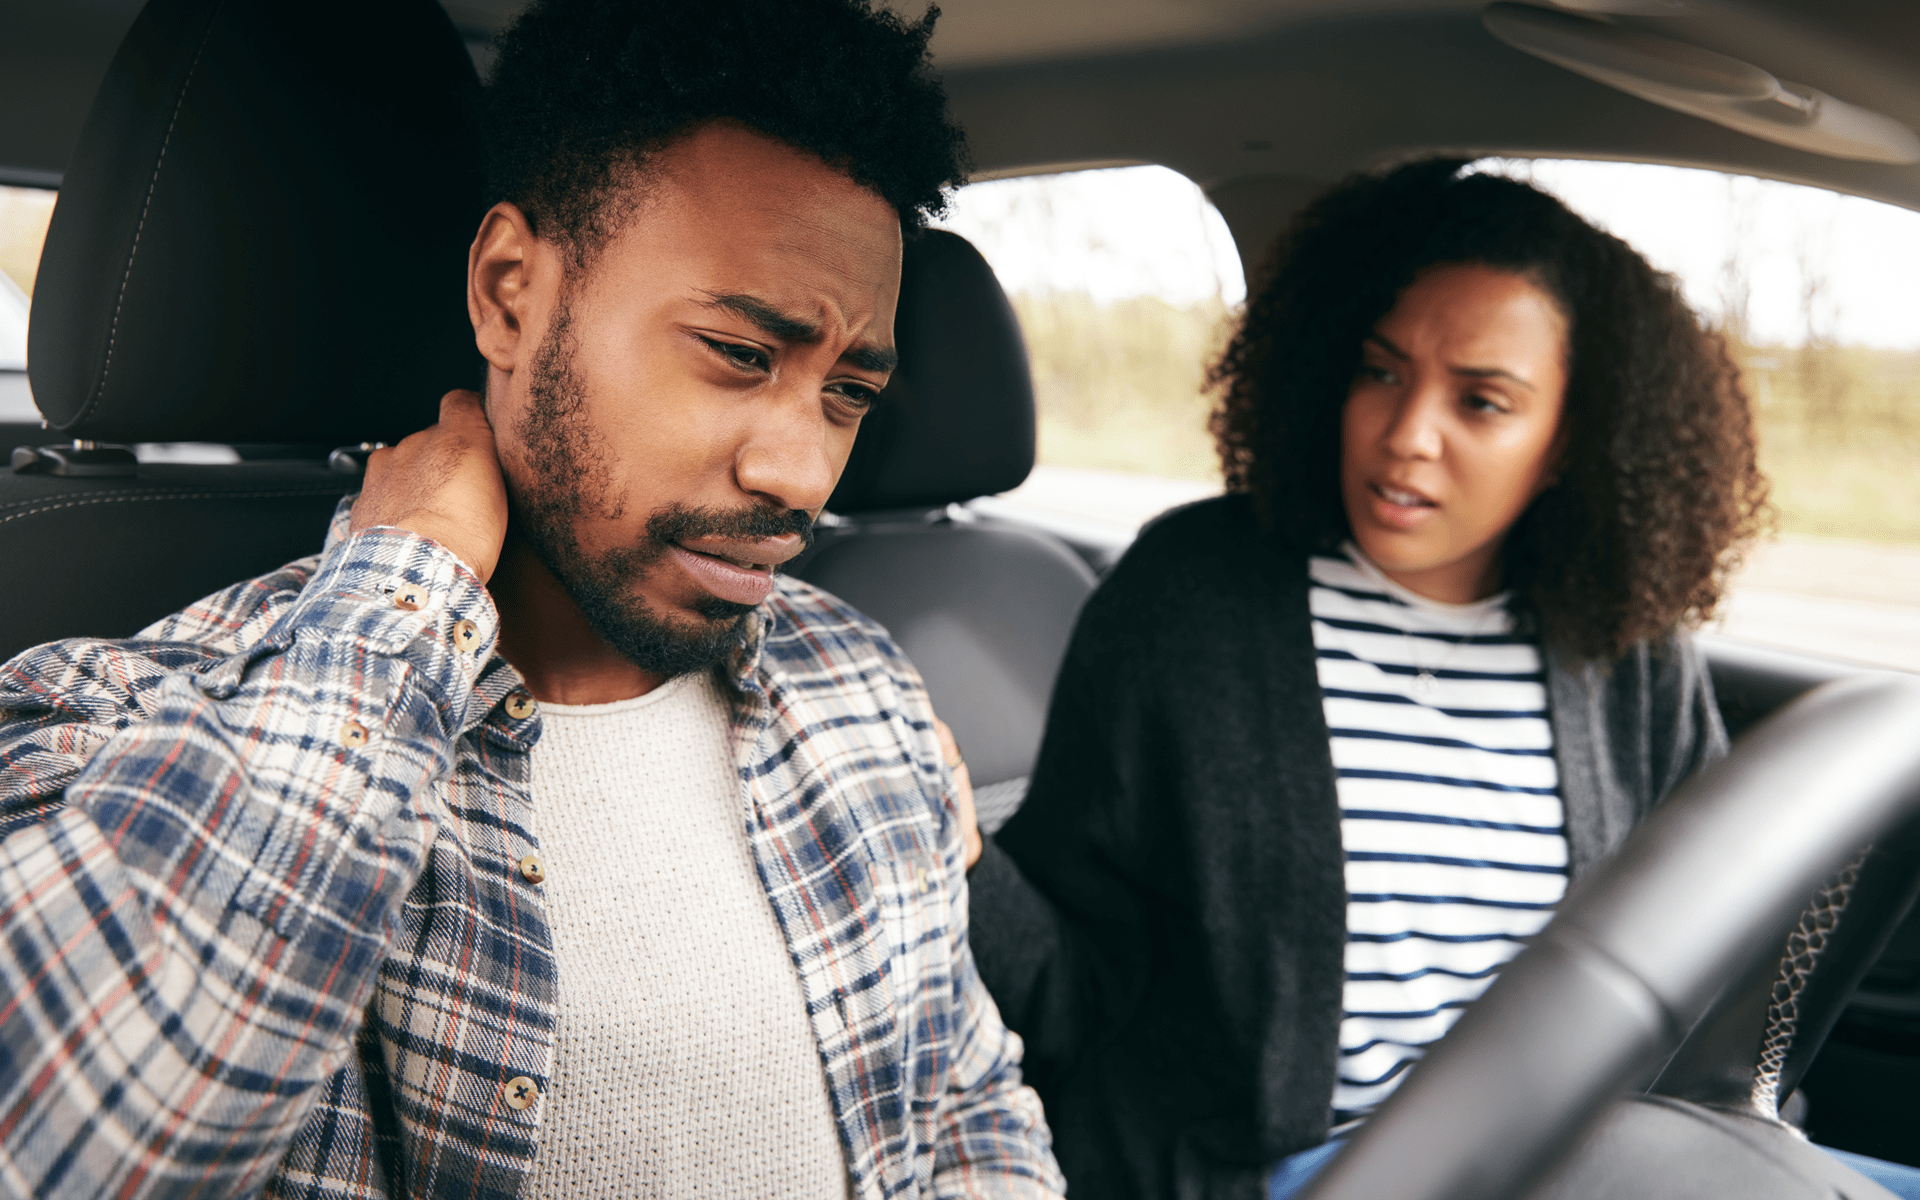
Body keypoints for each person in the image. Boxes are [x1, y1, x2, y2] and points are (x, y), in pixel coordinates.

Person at [0, 1, 1064, 1197]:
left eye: (848, 393)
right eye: (737, 352)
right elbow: (81, 1140)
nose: (805, 475)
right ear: (510, 295)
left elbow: (969, 1099)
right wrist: (409, 589)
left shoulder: (857, 678)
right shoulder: (117, 711)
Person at [950, 157, 1910, 1200]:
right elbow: (1080, 983)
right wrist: (957, 858)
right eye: (1382, 371)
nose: (1407, 436)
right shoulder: (1192, 601)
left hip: (1588, 1153)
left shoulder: (1625, 645)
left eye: (1483, 401)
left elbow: (1714, 967)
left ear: (1568, 442)